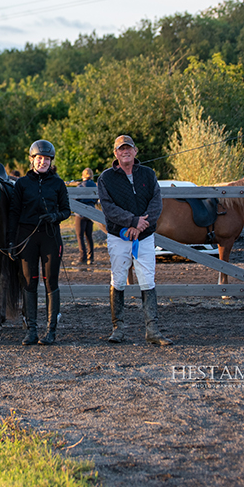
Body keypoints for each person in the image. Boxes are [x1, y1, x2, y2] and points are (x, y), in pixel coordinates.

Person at [97, 135, 172, 346]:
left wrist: (141, 225)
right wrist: (132, 221)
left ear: (135, 151)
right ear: (116, 153)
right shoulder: (106, 178)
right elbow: (108, 207)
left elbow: (156, 202)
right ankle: (118, 328)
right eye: (121, 149)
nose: (125, 152)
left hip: (145, 235)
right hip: (118, 236)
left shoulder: (148, 174)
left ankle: (152, 329)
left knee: (148, 279)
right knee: (118, 279)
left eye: (129, 148)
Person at [7, 139, 70, 345]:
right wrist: (11, 241)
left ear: (51, 162)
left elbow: (66, 210)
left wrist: (55, 216)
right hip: (27, 237)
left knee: (50, 280)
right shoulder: (22, 184)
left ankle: (51, 330)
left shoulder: (58, 184)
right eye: (39, 158)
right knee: (29, 281)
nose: (43, 162)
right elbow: (14, 212)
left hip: (50, 236)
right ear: (32, 160)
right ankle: (31, 330)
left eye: (47, 159)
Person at [74, 168, 97, 266]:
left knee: (80, 236)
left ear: (83, 175)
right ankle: (90, 258)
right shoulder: (94, 186)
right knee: (89, 236)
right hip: (90, 212)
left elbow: (75, 198)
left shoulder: (80, 186)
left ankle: (82, 258)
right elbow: (96, 199)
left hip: (80, 214)